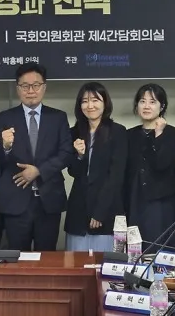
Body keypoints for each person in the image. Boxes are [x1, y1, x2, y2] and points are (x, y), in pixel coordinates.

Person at [0, 62, 73, 251]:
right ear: (17, 89)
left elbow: (66, 153)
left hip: (48, 201)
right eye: (25, 86)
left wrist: (39, 171)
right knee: (16, 258)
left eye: (36, 85)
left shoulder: (58, 117)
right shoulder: (4, 117)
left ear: (44, 87)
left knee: (47, 257)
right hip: (15, 201)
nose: (30, 90)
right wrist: (6, 147)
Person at [64, 82, 127, 252]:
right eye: (85, 101)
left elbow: (116, 175)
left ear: (105, 102)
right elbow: (73, 171)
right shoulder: (74, 132)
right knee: (76, 263)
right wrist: (79, 156)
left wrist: (100, 212)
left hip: (106, 210)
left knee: (103, 263)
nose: (90, 105)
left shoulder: (117, 132)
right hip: (78, 210)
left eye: (95, 100)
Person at [126, 84, 175, 251]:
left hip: (161, 203)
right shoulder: (128, 134)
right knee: (135, 251)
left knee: (161, 251)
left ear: (161, 106)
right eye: (142, 101)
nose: (146, 106)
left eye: (152, 102)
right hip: (134, 201)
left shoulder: (171, 133)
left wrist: (159, 134)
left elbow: (161, 163)